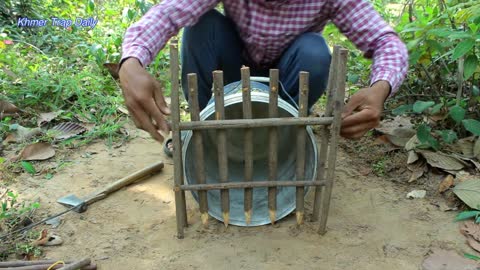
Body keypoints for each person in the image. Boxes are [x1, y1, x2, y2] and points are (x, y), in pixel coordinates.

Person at [118, 0, 408, 153]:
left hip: (285, 82)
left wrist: (380, 88)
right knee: (200, 27)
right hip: (231, 74)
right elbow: (168, 13)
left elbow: (385, 42)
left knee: (315, 51)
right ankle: (204, 137)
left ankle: (281, 140)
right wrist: (131, 62)